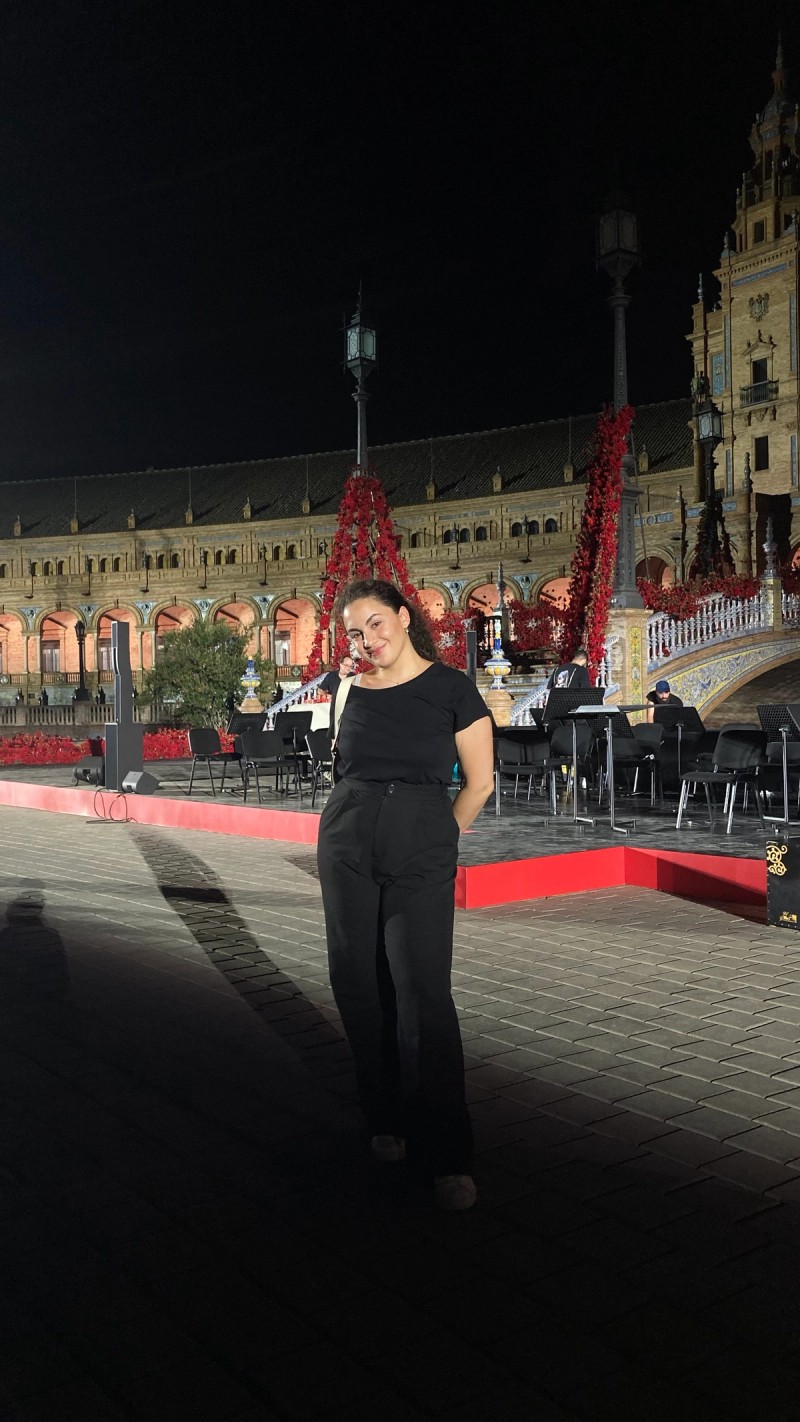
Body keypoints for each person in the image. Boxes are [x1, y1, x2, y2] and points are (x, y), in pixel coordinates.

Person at [316, 578, 494, 1211]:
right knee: (360, 985)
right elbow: (341, 768)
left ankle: (448, 1152)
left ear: (402, 616)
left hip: (420, 842)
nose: (368, 640)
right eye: (355, 632)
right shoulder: (350, 690)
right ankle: (384, 1119)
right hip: (347, 841)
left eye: (375, 624)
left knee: (422, 992)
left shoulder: (451, 689)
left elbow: (479, 782)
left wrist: (437, 838)